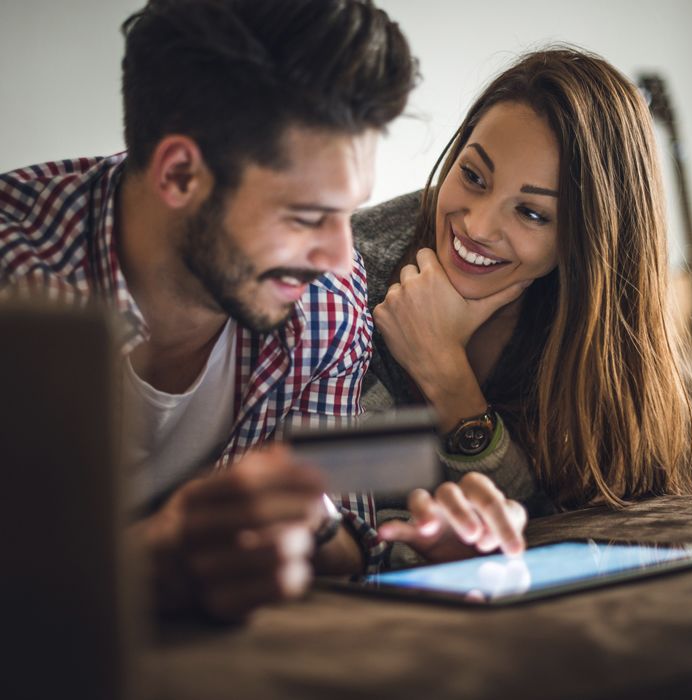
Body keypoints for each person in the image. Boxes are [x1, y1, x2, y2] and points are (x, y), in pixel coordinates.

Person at [0, 0, 527, 621]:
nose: (340, 256)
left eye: (346, 211)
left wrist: (420, 554)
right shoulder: (20, 279)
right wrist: (146, 562)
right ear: (178, 174)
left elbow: (338, 544)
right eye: (306, 216)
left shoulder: (325, 303)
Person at [354, 47, 692, 563]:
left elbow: (566, 524)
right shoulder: (353, 275)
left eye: (532, 214)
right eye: (472, 175)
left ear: (587, 241)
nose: (477, 226)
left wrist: (446, 375)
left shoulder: (602, 332)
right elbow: (346, 518)